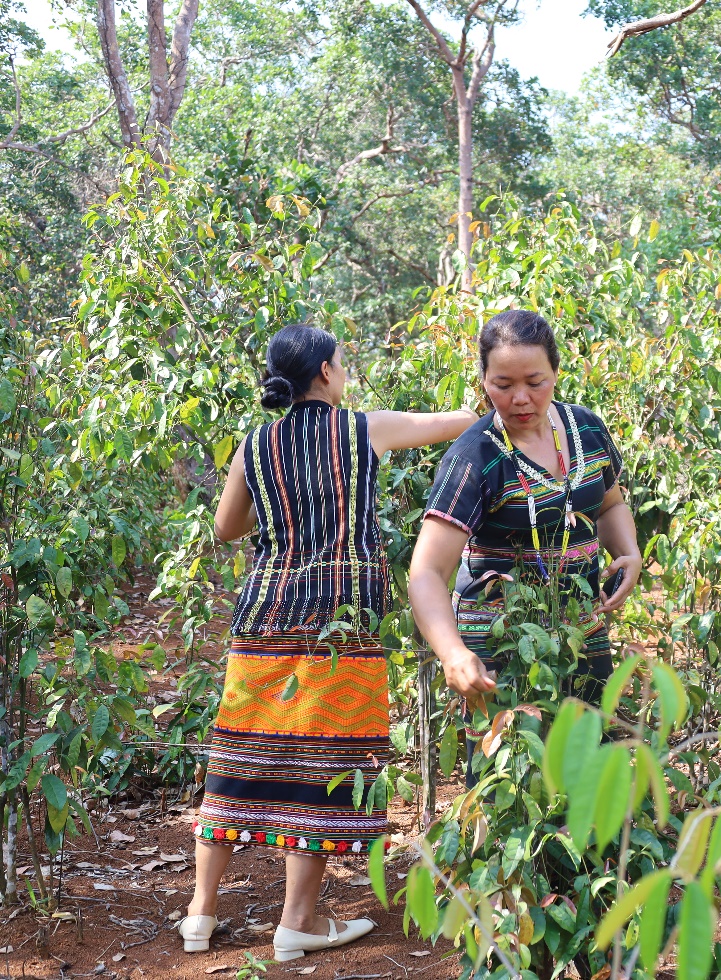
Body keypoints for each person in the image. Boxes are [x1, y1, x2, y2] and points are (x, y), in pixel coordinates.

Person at [181, 323, 479, 960]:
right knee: (326, 767)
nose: (346, 372)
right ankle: (299, 921)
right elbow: (454, 423)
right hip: (340, 625)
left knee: (238, 759)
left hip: (262, 617)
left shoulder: (255, 442)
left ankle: (200, 914)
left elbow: (227, 528)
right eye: (342, 363)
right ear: (325, 372)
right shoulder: (362, 428)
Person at [407, 310, 640, 765]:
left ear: (555, 372)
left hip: (581, 630)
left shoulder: (586, 429)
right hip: (500, 645)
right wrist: (453, 653)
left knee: (587, 762)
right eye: (502, 384)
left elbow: (610, 502)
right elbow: (427, 571)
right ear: (483, 381)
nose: (519, 399)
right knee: (508, 778)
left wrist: (628, 552)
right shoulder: (476, 456)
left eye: (535, 382)